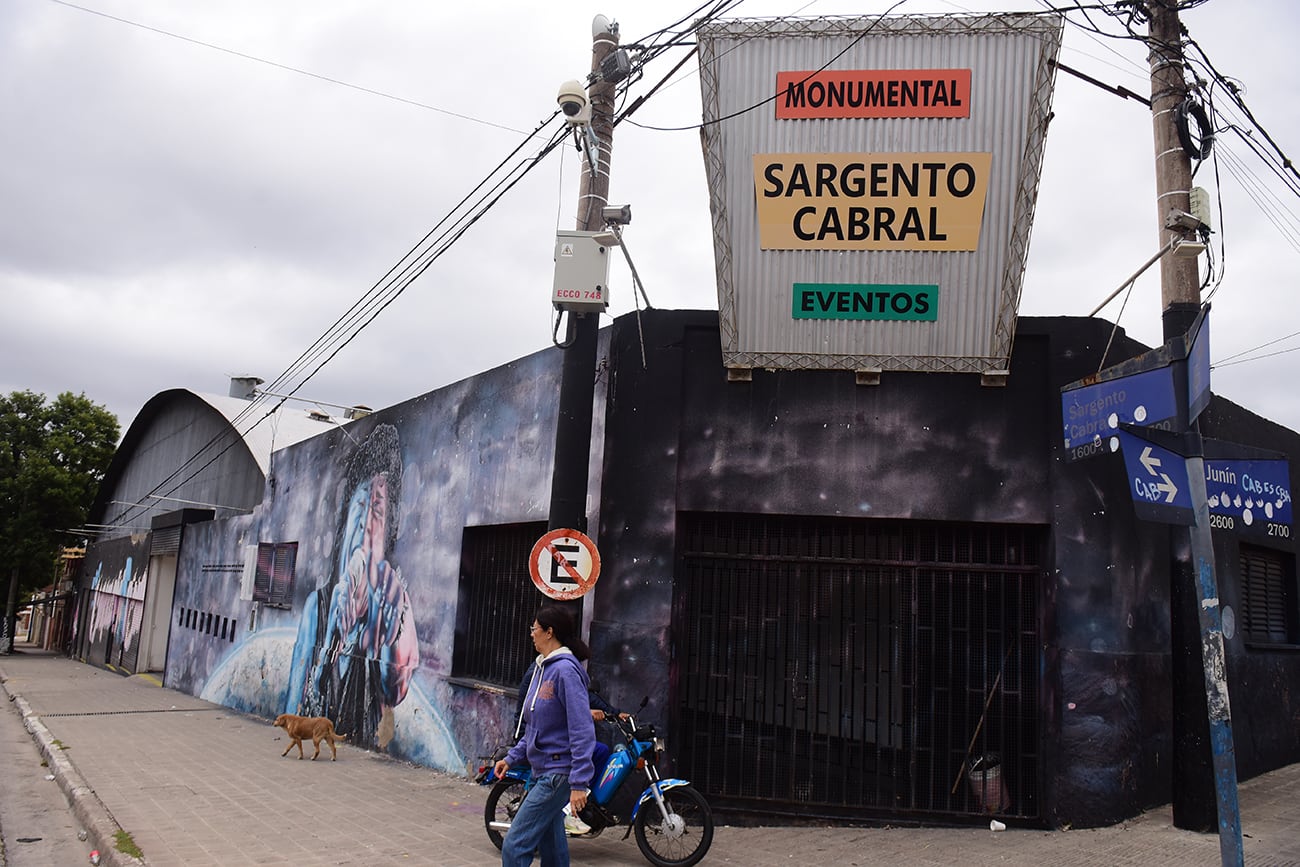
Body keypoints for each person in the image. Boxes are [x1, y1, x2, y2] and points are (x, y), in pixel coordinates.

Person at [285, 423, 419, 750]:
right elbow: (293, 700)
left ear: (388, 530)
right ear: (344, 523)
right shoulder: (318, 609)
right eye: (359, 510)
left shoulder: (395, 607)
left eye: (376, 512)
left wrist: (385, 624)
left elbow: (394, 690)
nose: (364, 527)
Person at [494, 605, 596, 867]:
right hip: (541, 771)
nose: (531, 634)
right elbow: (536, 726)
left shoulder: (565, 671)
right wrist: (512, 757)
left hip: (557, 773)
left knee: (514, 845)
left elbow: (582, 728)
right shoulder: (542, 668)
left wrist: (579, 783)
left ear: (549, 632)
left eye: (534, 629)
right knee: (552, 850)